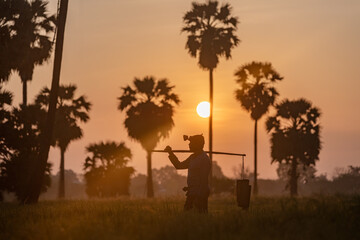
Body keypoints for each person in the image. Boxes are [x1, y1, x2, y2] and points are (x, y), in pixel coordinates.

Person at [164, 134, 211, 213]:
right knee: (189, 215)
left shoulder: (204, 159)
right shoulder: (192, 157)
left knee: (199, 216)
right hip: (192, 192)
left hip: (200, 193)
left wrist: (197, 193)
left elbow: (203, 180)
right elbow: (179, 166)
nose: (189, 145)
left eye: (191, 143)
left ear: (197, 144)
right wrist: (171, 153)